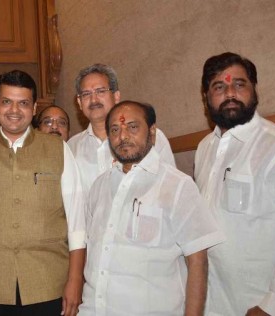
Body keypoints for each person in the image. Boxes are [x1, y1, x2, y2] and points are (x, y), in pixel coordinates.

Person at [80, 100, 224, 316]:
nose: (123, 136)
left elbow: (197, 262)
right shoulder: (99, 186)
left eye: (133, 126)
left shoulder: (177, 185)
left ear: (153, 132)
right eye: (115, 129)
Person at [0, 70, 86, 316]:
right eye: (6, 101)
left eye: (23, 103)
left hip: (48, 282)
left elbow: (77, 223)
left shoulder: (58, 149)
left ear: (33, 109)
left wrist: (75, 280)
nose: (14, 110)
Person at [195, 52, 275, 316]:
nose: (230, 93)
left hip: (258, 304)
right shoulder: (204, 149)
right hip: (211, 301)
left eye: (239, 84)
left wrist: (273, 303)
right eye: (219, 86)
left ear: (254, 90)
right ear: (206, 98)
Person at [68, 63, 176, 193]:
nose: (94, 99)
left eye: (101, 91)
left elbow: (170, 187)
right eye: (86, 94)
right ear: (79, 102)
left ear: (116, 96)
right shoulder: (71, 147)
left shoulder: (150, 137)